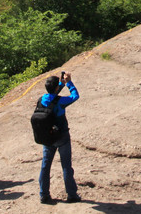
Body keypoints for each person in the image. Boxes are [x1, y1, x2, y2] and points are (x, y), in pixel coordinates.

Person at [38, 71, 81, 204]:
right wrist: (69, 83)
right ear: (56, 88)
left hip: (47, 137)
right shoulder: (61, 101)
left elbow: (53, 96)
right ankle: (72, 195)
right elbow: (75, 96)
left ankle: (44, 194)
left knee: (45, 166)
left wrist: (60, 85)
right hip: (62, 136)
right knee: (66, 166)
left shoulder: (42, 99)